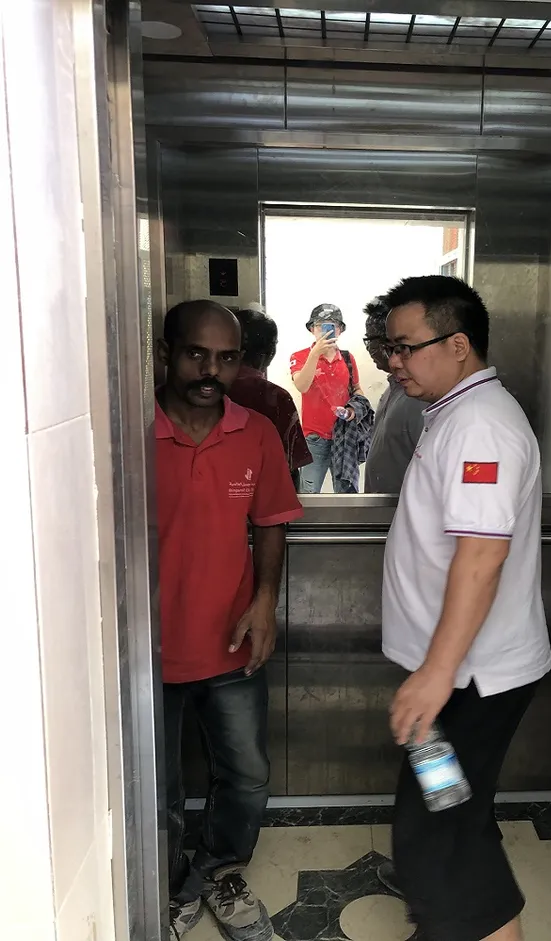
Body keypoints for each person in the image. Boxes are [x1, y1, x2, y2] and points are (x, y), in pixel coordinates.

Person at [380, 276, 551, 941]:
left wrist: (434, 675)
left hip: (472, 679)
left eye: (404, 347)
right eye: (388, 347)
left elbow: (480, 558)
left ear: (456, 344)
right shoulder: (457, 412)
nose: (393, 361)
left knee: (435, 831)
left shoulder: (480, 425)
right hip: (458, 672)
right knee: (454, 816)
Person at [155, 300, 303, 941]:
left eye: (226, 357)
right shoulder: (124, 431)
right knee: (154, 786)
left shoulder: (257, 432)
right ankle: (163, 884)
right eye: (196, 353)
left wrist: (265, 602)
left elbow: (270, 522)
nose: (211, 370)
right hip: (145, 649)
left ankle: (216, 873)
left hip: (232, 639)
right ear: (167, 352)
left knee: (246, 774)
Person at [229, 305, 312, 487]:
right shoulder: (276, 398)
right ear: (270, 353)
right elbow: (290, 466)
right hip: (263, 498)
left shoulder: (211, 390)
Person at [289, 303, 365, 493]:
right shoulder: (300, 357)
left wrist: (354, 410)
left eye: (332, 325)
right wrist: (315, 354)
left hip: (344, 436)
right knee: (308, 494)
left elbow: (357, 390)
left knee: (346, 493)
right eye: (321, 325)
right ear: (312, 329)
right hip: (313, 438)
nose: (326, 329)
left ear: (340, 330)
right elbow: (301, 385)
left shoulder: (348, 359)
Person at [362, 296, 426, 494]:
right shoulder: (393, 388)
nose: (369, 348)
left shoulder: (419, 399)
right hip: (383, 518)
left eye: (370, 340)